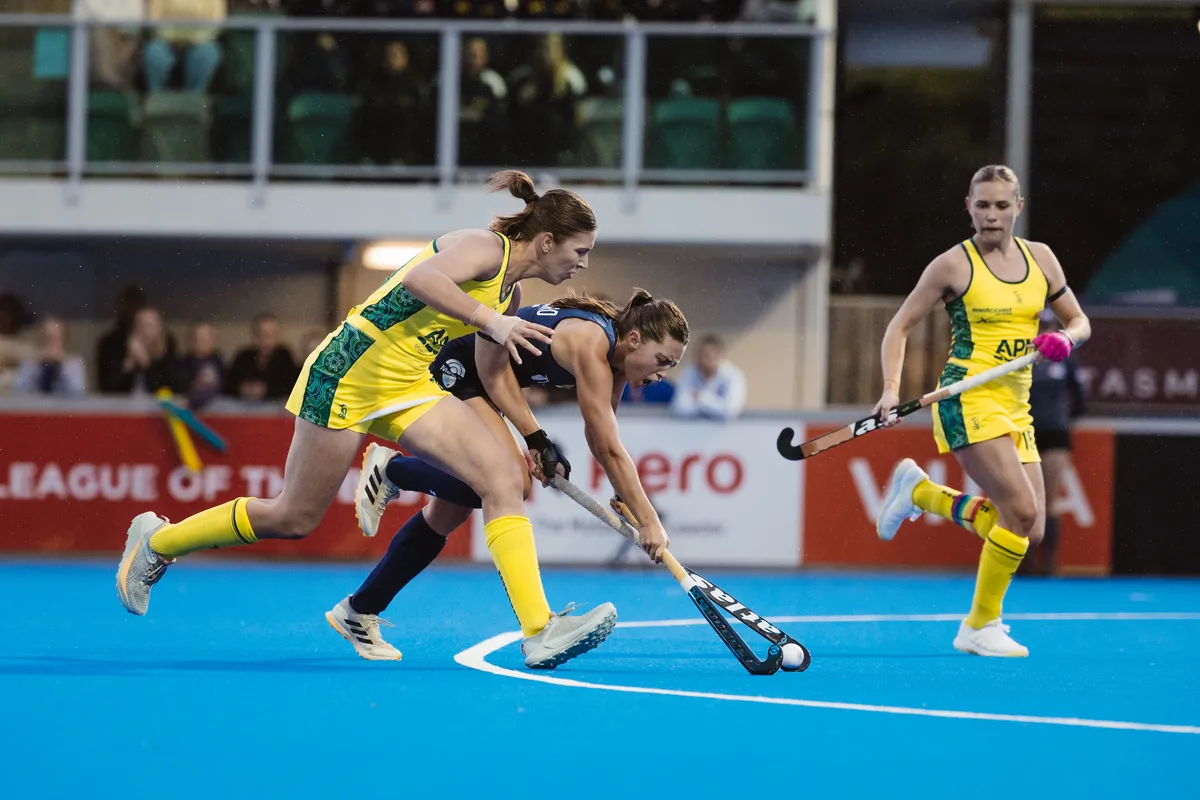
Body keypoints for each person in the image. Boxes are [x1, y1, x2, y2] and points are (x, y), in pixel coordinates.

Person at [116, 171, 620, 670]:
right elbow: (420, 279)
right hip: (347, 373)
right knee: (294, 517)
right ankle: (158, 541)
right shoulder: (485, 249)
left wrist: (533, 436)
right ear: (548, 240)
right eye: (580, 251)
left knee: (504, 478)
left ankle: (539, 631)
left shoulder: (510, 295)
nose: (584, 263)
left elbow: (492, 370)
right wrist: (487, 319)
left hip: (408, 384)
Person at [329, 289, 689, 660]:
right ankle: (395, 470)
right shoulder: (591, 342)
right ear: (634, 340)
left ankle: (359, 609)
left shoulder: (615, 363)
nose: (662, 374)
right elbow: (610, 449)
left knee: (451, 511)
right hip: (461, 369)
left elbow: (602, 441)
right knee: (511, 483)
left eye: (671, 367)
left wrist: (623, 495)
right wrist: (649, 520)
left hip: (489, 383)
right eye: (661, 360)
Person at [872, 165, 1091, 657]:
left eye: (1001, 204)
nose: (992, 215)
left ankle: (922, 493)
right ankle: (978, 625)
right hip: (966, 397)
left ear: (1019, 206)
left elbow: (1080, 322)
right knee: (1021, 511)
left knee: (1029, 531)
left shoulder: (1042, 260)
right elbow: (899, 328)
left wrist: (1064, 338)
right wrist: (891, 390)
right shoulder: (953, 265)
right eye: (982, 205)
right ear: (968, 207)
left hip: (1018, 406)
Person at [1024, 308, 1086, 576]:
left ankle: (1048, 562)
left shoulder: (1066, 359)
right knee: (1024, 501)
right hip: (1024, 432)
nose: (1044, 331)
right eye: (1039, 326)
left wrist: (1062, 418)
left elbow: (1081, 399)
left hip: (1055, 435)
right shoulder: (1021, 357)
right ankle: (1022, 562)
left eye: (1048, 325)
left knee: (1048, 500)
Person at [670, 333, 746, 421]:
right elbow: (679, 409)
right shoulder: (688, 374)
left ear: (721, 355)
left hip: (723, 432)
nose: (711, 359)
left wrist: (701, 398)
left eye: (714, 355)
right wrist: (716, 406)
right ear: (698, 356)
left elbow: (731, 411)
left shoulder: (733, 376)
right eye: (706, 355)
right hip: (692, 429)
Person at [14, 317, 88, 396]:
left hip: (65, 406)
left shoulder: (74, 362)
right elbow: (19, 390)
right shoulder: (30, 362)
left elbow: (78, 391)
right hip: (36, 406)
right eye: (46, 337)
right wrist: (35, 365)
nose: (50, 342)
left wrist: (63, 364)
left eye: (54, 338)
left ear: (64, 339)